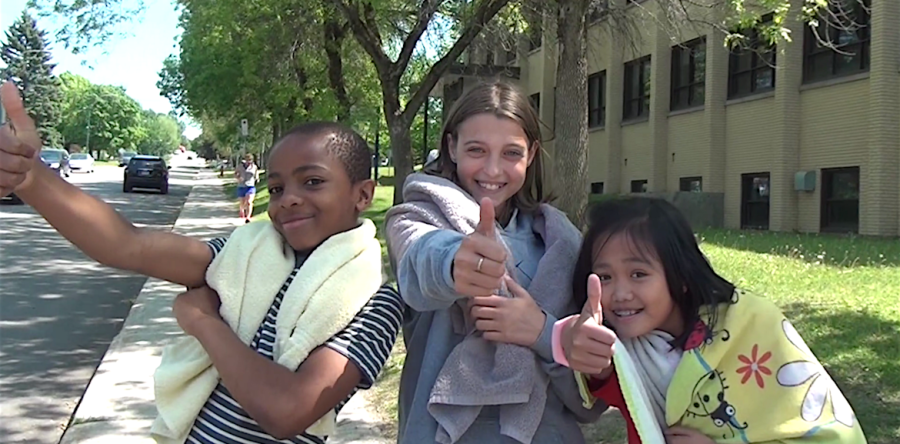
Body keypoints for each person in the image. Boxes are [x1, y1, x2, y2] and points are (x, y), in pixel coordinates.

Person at [0, 81, 404, 444]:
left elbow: (288, 412)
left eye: (312, 181)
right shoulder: (244, 253)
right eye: (277, 187)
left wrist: (204, 323)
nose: (288, 199)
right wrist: (31, 179)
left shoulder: (372, 301)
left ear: (363, 195)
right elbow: (128, 246)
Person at [384, 80, 603, 444]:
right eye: (476, 150)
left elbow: (589, 402)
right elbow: (420, 259)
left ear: (531, 154)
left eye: (511, 153)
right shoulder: (415, 217)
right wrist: (455, 263)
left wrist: (543, 333)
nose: (493, 169)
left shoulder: (562, 245)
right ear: (451, 146)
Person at [552, 197, 868, 444]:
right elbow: (613, 384)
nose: (620, 293)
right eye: (605, 277)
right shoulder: (624, 346)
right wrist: (586, 350)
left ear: (681, 275)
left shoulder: (753, 322)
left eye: (639, 274)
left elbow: (819, 429)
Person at [235, 153, 259, 223]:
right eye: (248, 160)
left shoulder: (254, 167)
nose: (249, 162)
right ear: (245, 160)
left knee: (249, 202)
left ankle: (248, 217)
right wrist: (238, 177)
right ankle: (242, 210)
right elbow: (235, 173)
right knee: (242, 202)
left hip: (250, 186)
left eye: (250, 160)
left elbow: (256, 175)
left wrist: (257, 179)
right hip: (241, 186)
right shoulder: (240, 166)